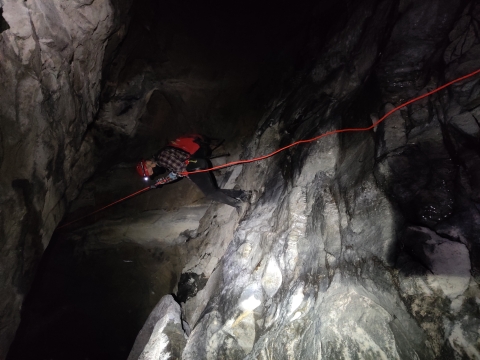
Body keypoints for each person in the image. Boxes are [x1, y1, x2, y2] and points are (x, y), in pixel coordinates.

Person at [136, 135, 248, 210]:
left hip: (193, 167)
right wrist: (161, 181)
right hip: (197, 163)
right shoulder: (162, 157)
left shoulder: (162, 158)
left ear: (148, 166)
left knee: (210, 194)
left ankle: (239, 205)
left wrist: (162, 181)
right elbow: (178, 170)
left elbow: (180, 169)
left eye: (150, 173)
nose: (153, 174)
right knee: (213, 191)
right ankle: (242, 194)